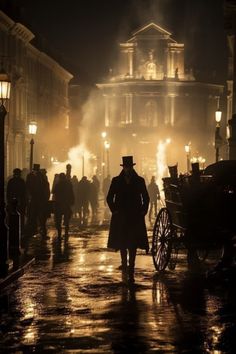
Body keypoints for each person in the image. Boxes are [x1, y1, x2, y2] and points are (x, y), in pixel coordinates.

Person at [106, 156, 149, 283]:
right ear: (123, 167)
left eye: (129, 167)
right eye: (126, 167)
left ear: (131, 167)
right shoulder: (116, 181)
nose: (128, 169)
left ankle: (131, 266)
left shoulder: (139, 181)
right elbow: (109, 197)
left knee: (133, 243)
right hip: (122, 216)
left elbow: (146, 198)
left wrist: (143, 210)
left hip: (134, 216)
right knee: (123, 242)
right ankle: (124, 264)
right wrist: (115, 210)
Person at [53, 172, 74, 237]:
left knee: (58, 220)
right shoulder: (68, 184)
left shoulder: (58, 184)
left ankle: (59, 233)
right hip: (66, 203)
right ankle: (66, 233)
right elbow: (71, 193)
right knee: (67, 219)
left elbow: (53, 191)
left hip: (59, 204)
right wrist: (72, 201)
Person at [6, 168, 27, 234]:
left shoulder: (11, 181)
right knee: (21, 217)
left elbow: (8, 192)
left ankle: (14, 229)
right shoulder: (21, 181)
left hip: (14, 202)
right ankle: (21, 230)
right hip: (19, 202)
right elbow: (24, 192)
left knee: (13, 216)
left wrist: (9, 201)